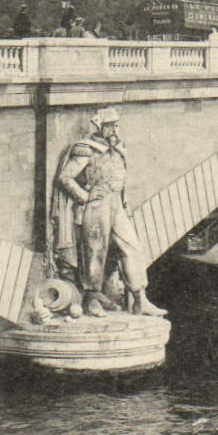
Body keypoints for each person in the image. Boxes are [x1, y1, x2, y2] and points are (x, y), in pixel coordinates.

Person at [52, 107, 165, 318]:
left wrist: (124, 203)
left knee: (132, 248)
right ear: (100, 127)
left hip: (116, 206)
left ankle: (140, 299)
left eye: (115, 125)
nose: (114, 130)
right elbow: (65, 178)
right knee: (95, 251)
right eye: (109, 126)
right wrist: (84, 197)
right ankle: (92, 299)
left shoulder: (119, 150)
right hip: (96, 206)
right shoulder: (87, 149)